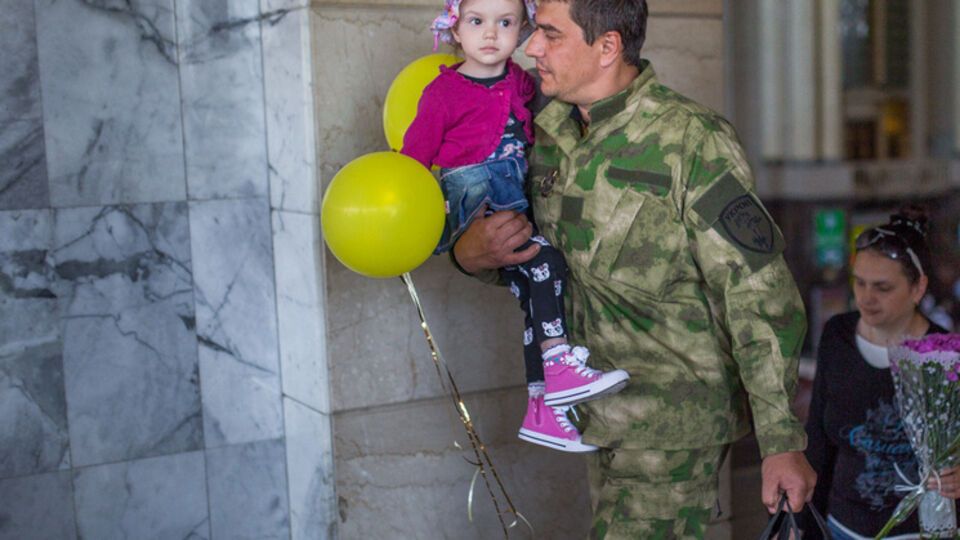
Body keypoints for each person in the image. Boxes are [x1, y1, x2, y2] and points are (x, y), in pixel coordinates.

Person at [450, 0, 817, 536]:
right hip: (592, 416)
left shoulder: (691, 139)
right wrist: (470, 255)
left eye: (550, 34)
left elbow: (758, 293)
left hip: (671, 424)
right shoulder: (545, 133)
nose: (530, 49)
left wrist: (782, 440)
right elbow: (537, 263)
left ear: (608, 46)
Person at [402, 0, 630, 453]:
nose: (490, 34)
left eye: (505, 23)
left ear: (522, 31)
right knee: (545, 260)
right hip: (473, 195)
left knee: (538, 294)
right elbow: (411, 165)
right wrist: (433, 229)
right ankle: (559, 364)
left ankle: (543, 407)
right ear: (455, 30)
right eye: (476, 22)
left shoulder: (524, 83)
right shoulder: (441, 92)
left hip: (511, 193)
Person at [803, 208, 960, 540]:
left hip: (916, 531)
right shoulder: (838, 336)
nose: (866, 298)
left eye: (882, 288)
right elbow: (817, 439)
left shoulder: (945, 355)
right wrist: (802, 526)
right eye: (859, 282)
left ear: (918, 288)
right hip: (841, 527)